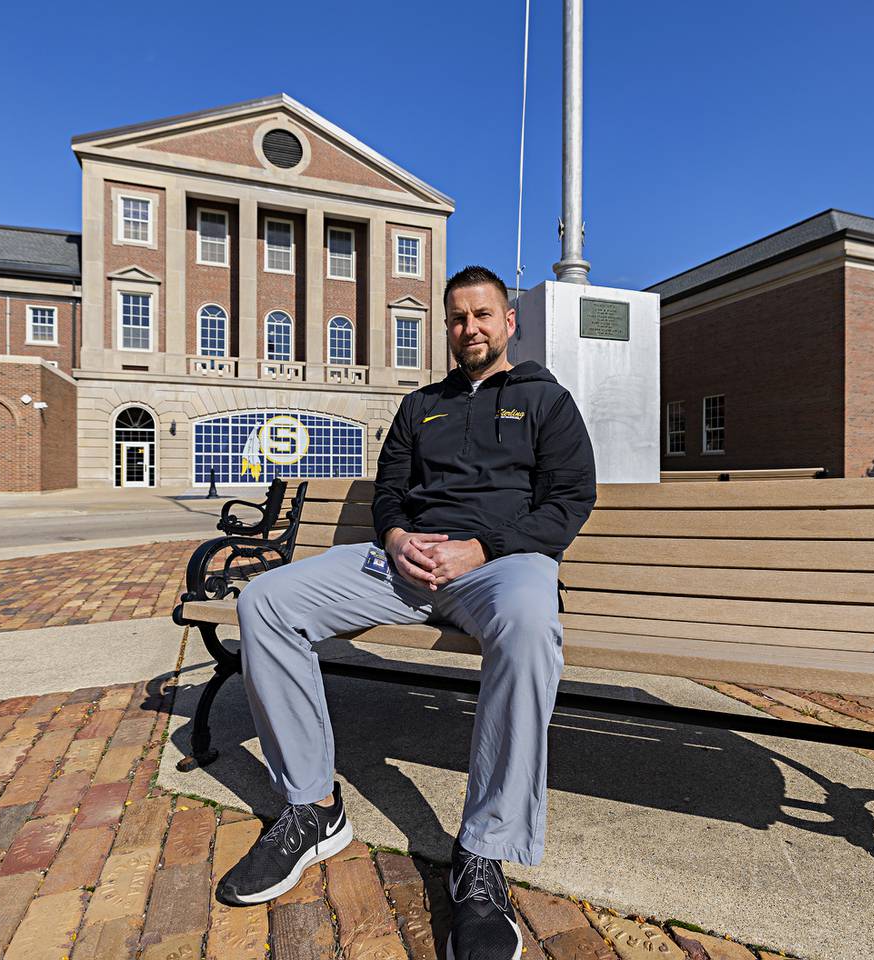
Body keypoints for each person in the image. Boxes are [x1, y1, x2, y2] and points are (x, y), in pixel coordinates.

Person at [214, 264, 597, 960]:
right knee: (267, 599)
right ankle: (313, 807)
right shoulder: (422, 406)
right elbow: (390, 491)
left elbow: (567, 502)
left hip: (499, 566)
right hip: (401, 565)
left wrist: (482, 548)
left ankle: (482, 855)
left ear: (509, 322)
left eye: (482, 315)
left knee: (531, 624)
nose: (469, 329)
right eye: (457, 318)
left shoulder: (546, 402)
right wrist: (393, 537)